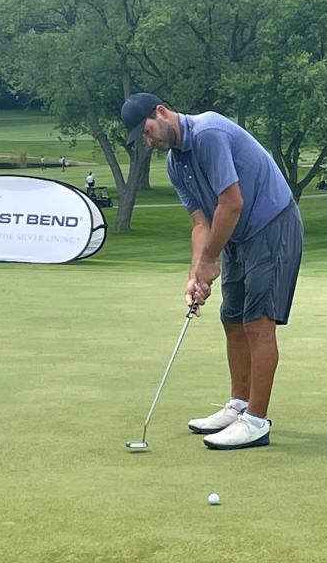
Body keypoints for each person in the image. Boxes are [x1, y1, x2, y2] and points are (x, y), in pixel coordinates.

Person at [121, 92, 304, 450]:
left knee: (257, 322)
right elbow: (200, 223)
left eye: (147, 131)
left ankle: (255, 421)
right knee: (231, 318)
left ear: (161, 112)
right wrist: (196, 274)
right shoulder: (175, 163)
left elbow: (232, 202)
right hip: (237, 234)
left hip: (272, 225)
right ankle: (238, 405)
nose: (147, 141)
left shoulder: (208, 133)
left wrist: (209, 261)